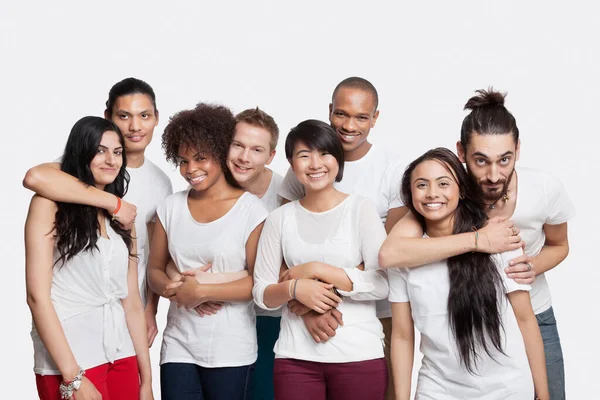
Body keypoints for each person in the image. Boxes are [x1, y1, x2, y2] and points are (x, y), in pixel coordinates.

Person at [379, 89, 574, 399]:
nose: (493, 175)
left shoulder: (544, 189)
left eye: (504, 160)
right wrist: (478, 240)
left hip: (530, 308)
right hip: (455, 328)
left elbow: (559, 245)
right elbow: (391, 254)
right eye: (481, 161)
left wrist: (529, 266)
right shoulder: (445, 190)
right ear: (462, 154)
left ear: (517, 151)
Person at [277, 77, 406, 399]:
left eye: (361, 117)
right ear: (329, 111)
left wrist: (322, 281)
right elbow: (283, 248)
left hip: (376, 312)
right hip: (304, 314)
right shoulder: (307, 167)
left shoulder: (392, 168)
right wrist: (307, 306)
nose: (349, 125)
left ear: (375, 118)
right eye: (341, 114)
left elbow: (390, 254)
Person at [387, 147, 549, 399]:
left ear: (461, 190)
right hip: (437, 388)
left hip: (507, 388)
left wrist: (544, 394)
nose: (432, 193)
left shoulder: (499, 240)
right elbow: (402, 336)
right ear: (410, 195)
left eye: (443, 183)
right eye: (421, 185)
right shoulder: (406, 256)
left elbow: (526, 320)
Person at [22, 77, 173, 347]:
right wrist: (112, 202)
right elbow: (34, 177)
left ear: (156, 118)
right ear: (108, 117)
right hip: (75, 313)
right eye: (124, 116)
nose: (135, 126)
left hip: (129, 313)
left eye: (144, 115)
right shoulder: (83, 167)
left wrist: (151, 309)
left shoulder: (161, 182)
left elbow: (153, 254)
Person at [253, 119, 390, 400]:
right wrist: (295, 289)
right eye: (304, 156)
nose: (315, 164)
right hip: (295, 358)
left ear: (337, 159)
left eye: (324, 153)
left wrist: (315, 272)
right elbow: (261, 292)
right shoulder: (280, 218)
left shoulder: (361, 209)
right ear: (291, 163)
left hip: (359, 355)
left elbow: (381, 283)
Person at [25, 116, 153, 399]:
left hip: (122, 355)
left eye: (117, 152)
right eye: (99, 150)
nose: (111, 160)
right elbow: (37, 297)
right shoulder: (49, 204)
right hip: (71, 359)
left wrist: (146, 380)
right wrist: (73, 376)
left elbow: (131, 302)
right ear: (82, 153)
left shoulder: (123, 218)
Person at [147, 103, 268, 400]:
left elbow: (258, 281)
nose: (191, 169)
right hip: (179, 343)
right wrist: (177, 290)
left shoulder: (251, 210)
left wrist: (202, 291)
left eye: (201, 158)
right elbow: (154, 270)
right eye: (183, 160)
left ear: (220, 151)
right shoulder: (171, 206)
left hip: (231, 347)